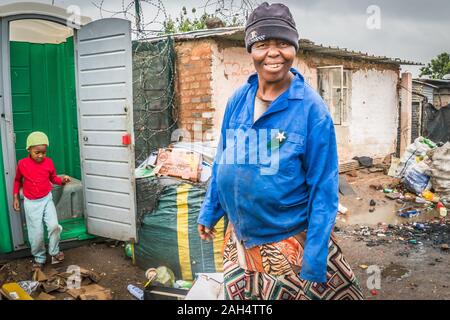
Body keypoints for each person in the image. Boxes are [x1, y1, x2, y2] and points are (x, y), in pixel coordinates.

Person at [197, 2, 364, 300]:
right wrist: (210, 211)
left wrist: (313, 259)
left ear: (294, 48)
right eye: (262, 44)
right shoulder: (239, 99)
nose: (273, 53)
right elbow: (224, 159)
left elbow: (324, 190)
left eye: (283, 43)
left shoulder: (312, 110)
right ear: (250, 49)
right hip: (240, 238)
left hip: (288, 244)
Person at [13, 131, 70, 269]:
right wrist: (15, 197)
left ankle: (54, 251)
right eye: (37, 152)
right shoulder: (22, 164)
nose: (40, 155)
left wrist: (62, 180)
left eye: (43, 152)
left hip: (46, 199)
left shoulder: (48, 162)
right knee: (36, 233)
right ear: (29, 149)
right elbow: (17, 180)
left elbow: (53, 178)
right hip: (31, 203)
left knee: (54, 226)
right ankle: (39, 257)